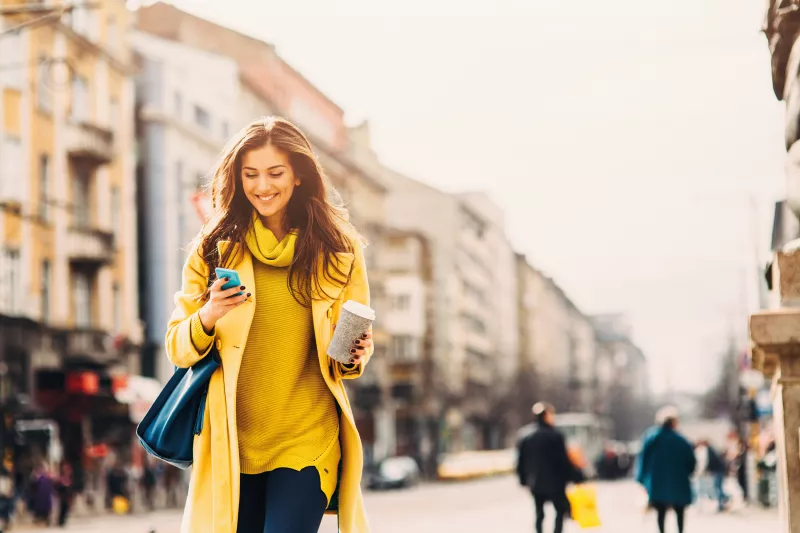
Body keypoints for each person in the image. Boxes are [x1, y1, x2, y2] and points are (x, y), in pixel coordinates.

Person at [165, 117, 374, 533]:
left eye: (275, 173)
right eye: (251, 175)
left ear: (298, 175)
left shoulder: (338, 248)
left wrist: (356, 353)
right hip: (232, 443)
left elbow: (348, 353)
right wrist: (209, 314)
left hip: (306, 440)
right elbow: (177, 347)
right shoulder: (213, 248)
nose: (263, 186)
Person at [516, 402, 584, 533]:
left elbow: (521, 461)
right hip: (555, 483)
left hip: (535, 482)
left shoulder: (526, 436)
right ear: (546, 415)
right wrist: (574, 476)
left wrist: (523, 480)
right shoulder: (555, 435)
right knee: (559, 511)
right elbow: (563, 460)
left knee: (539, 513)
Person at [636, 406, 696, 533]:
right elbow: (691, 461)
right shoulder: (681, 440)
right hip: (679, 481)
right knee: (679, 510)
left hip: (658, 482)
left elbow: (643, 459)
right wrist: (689, 472)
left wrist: (641, 478)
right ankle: (680, 531)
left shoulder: (652, 439)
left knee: (660, 511)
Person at [694, 439, 728, 512]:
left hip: (717, 471)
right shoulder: (711, 449)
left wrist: (703, 471)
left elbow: (707, 461)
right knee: (718, 487)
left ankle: (725, 500)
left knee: (717, 488)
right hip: (718, 471)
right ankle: (723, 501)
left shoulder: (708, 451)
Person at [56, 463, 75, 527]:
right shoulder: (61, 478)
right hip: (62, 497)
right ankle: (60, 521)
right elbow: (58, 488)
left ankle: (63, 521)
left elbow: (71, 488)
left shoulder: (69, 478)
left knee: (66, 509)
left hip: (67, 497)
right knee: (62, 509)